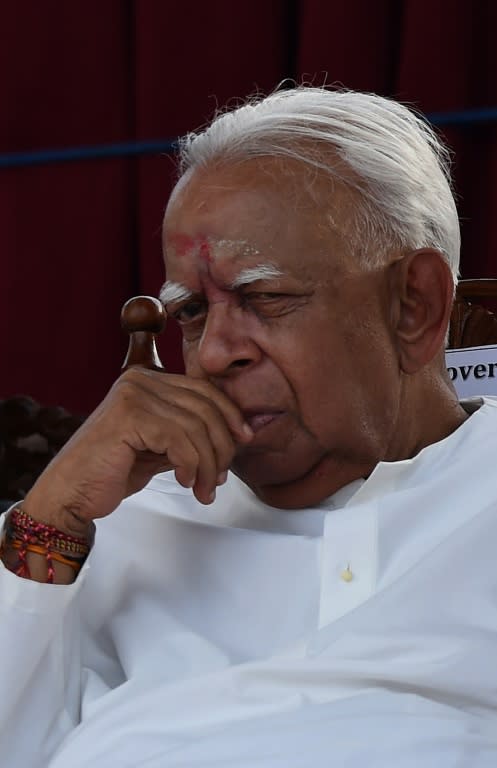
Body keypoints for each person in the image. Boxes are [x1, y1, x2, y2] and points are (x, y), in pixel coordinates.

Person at [1, 86, 497, 768]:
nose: (211, 354)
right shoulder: (105, 529)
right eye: (192, 314)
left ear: (413, 305)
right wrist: (49, 521)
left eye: (264, 298)